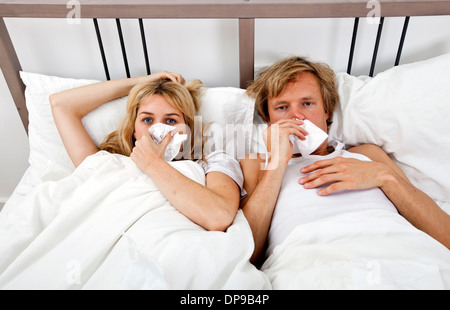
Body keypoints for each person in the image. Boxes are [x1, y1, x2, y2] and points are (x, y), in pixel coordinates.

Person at [240, 56, 450, 263]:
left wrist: (384, 176)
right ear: (269, 121)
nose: (297, 117)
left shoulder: (367, 155)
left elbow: (444, 235)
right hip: (310, 261)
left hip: (399, 253)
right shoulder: (257, 164)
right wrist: (277, 162)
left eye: (307, 103)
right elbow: (246, 253)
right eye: (282, 108)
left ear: (326, 111)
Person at [50, 71, 242, 232]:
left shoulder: (212, 163)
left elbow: (219, 216)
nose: (157, 130)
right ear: (134, 129)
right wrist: (142, 82)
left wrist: (153, 163)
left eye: (171, 120)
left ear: (188, 128)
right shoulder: (105, 163)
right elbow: (61, 104)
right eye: (147, 120)